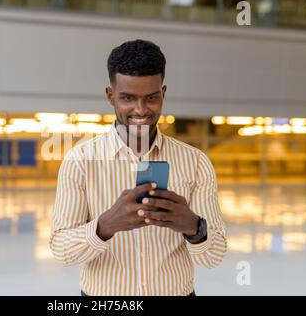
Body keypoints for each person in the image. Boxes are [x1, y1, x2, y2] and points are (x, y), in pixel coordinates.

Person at [49, 39, 227, 296]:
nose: (141, 110)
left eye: (151, 98)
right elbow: (61, 251)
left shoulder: (196, 163)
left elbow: (214, 256)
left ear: (163, 94)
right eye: (128, 98)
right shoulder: (79, 161)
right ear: (111, 96)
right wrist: (105, 226)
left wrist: (193, 226)